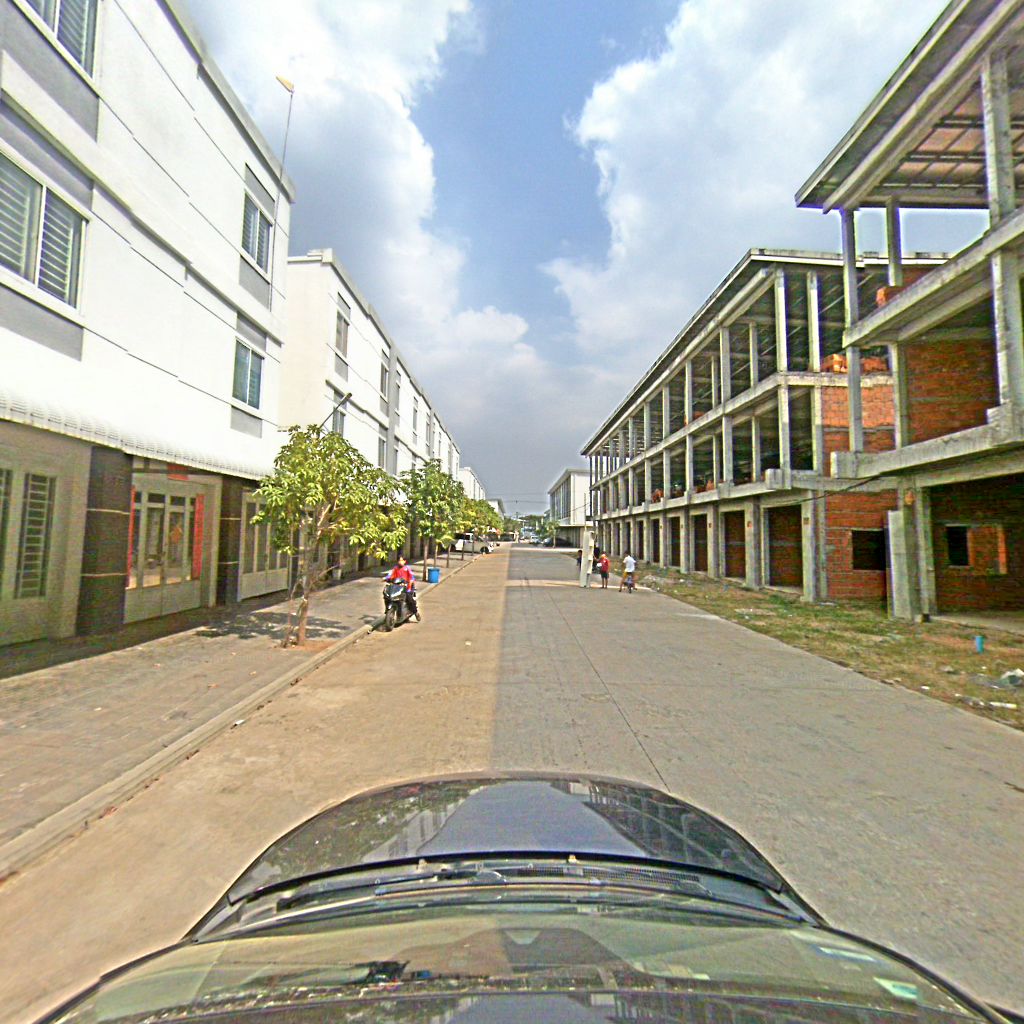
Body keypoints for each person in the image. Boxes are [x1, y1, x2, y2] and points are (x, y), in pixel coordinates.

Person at [385, 555, 420, 621]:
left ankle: (415, 612)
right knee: (387, 596)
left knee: (409, 599)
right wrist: (386, 578)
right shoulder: (395, 568)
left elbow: (412, 577)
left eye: (401, 560)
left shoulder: (407, 568)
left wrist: (410, 581)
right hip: (397, 587)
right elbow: (390, 575)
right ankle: (387, 611)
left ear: (404, 561)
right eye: (399, 560)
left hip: (407, 586)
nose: (400, 562)